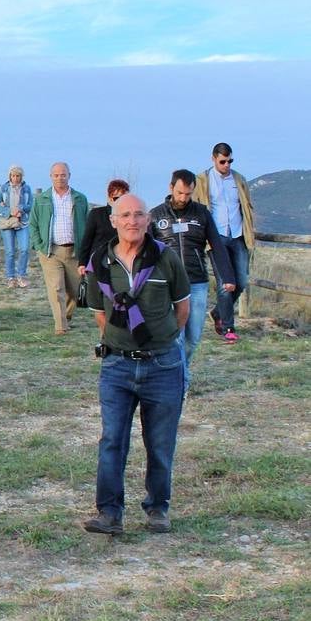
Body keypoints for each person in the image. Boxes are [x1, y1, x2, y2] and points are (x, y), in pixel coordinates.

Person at [82, 194, 190, 536]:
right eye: (125, 215)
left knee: (160, 443)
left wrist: (159, 338)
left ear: (148, 220)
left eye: (138, 214)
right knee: (112, 440)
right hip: (117, 366)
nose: (132, 220)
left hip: (163, 365)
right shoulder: (101, 260)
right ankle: (109, 513)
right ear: (113, 221)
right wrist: (123, 341)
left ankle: (158, 509)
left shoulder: (166, 259)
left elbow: (182, 309)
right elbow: (100, 313)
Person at [150, 171, 235, 368]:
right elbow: (147, 252)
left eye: (188, 194)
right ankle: (180, 379)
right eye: (180, 193)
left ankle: (181, 369)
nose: (183, 198)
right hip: (169, 284)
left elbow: (217, 245)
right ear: (171, 188)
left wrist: (227, 276)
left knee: (193, 337)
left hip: (197, 283)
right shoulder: (155, 216)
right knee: (176, 338)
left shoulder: (202, 213)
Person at [193, 142, 255, 342]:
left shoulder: (239, 180)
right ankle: (228, 327)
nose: (226, 165)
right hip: (215, 236)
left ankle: (218, 312)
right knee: (224, 283)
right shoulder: (202, 181)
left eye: (230, 161)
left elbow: (246, 207)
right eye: (222, 161)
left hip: (237, 234)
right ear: (213, 159)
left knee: (242, 280)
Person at [28, 162, 90, 335]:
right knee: (56, 288)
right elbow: (32, 224)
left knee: (74, 290)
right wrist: (39, 245)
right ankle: (60, 326)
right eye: (56, 175)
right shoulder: (41, 199)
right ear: (51, 177)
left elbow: (87, 224)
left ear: (69, 175)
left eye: (63, 174)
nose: (59, 178)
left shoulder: (80, 199)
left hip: (74, 251)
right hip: (50, 252)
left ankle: (66, 315)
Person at [77, 179, 130, 276]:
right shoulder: (96, 214)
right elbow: (87, 240)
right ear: (109, 197)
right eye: (116, 198)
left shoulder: (131, 218)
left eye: (124, 199)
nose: (121, 202)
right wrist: (82, 263)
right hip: (98, 262)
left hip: (122, 263)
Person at [0, 166, 33, 288]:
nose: (15, 178)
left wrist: (21, 210)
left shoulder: (26, 188)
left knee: (24, 248)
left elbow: (30, 204)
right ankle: (10, 277)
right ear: (9, 176)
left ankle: (21, 275)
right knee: (10, 251)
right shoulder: (3, 188)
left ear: (21, 176)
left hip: (22, 222)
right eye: (13, 176)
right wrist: (10, 211)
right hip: (7, 222)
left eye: (18, 176)